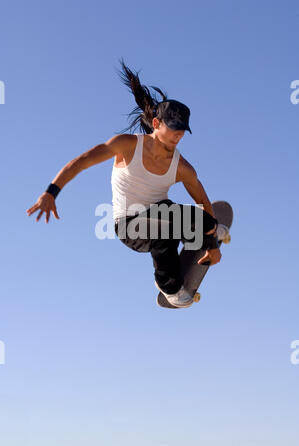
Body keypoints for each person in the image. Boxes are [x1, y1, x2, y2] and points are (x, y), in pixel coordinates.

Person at [26, 58, 224, 308]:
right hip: (129, 225)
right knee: (166, 233)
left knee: (203, 220)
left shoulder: (181, 166)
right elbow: (83, 161)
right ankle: (168, 286)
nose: (178, 135)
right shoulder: (127, 146)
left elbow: (202, 199)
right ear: (156, 124)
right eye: (173, 128)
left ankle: (197, 237)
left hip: (162, 214)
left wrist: (212, 243)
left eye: (182, 130)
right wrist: (50, 192)